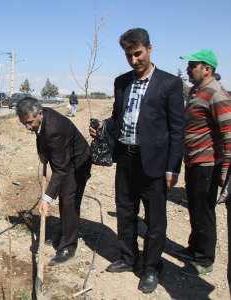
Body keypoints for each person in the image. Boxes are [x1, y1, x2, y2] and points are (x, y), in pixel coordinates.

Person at [89, 28, 184, 293]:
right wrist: (104, 127)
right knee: (126, 212)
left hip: (154, 164)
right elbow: (119, 117)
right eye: (129, 56)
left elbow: (178, 129)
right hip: (126, 160)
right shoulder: (121, 82)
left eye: (138, 54)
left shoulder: (169, 84)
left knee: (155, 220)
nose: (133, 60)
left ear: (150, 49)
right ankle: (128, 258)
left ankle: (152, 267)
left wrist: (172, 166)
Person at [17, 97, 91, 265]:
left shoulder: (55, 128)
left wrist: (47, 199)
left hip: (78, 162)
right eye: (24, 124)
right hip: (64, 159)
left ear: (40, 114)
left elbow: (60, 170)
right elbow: (39, 134)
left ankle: (68, 246)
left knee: (69, 200)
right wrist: (41, 151)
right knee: (64, 197)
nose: (28, 127)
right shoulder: (42, 118)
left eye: (29, 122)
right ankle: (63, 233)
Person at [177, 50, 231, 275]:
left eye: (193, 66)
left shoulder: (216, 94)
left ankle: (205, 260)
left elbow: (228, 134)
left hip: (207, 164)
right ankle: (195, 247)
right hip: (193, 161)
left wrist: (226, 169)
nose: (189, 70)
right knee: (195, 207)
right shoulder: (196, 91)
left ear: (207, 69)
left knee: (204, 211)